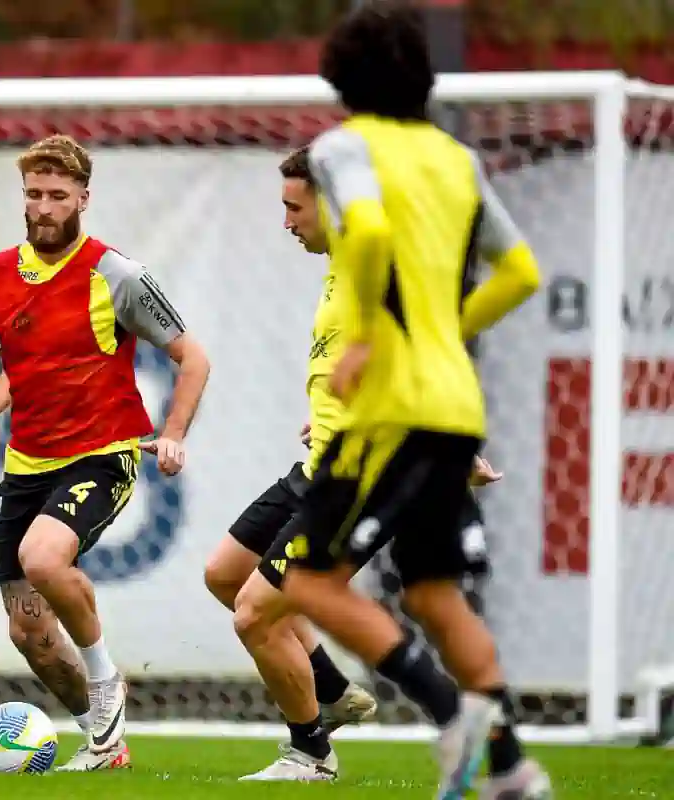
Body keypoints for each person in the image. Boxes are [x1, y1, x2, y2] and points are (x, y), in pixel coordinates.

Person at [269, 4, 551, 798]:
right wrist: (441, 332)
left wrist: (368, 340)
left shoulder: (343, 147)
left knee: (308, 583)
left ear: (343, 82)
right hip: (456, 406)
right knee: (433, 594)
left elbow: (365, 226)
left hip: (387, 407)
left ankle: (451, 715)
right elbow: (521, 272)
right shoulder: (458, 160)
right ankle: (511, 770)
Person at [0, 134, 212, 772]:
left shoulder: (115, 274)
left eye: (57, 196)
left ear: (83, 199)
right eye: (34, 194)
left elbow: (193, 357)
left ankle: (106, 683)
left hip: (103, 453)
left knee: (43, 557)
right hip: (26, 465)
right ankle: (105, 742)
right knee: (31, 636)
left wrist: (174, 431)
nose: (43, 207)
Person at [225, 147, 504, 782]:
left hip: (352, 480)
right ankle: (336, 692)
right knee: (225, 574)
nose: (287, 222)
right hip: (322, 461)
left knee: (254, 613)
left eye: (294, 208)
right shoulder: (343, 267)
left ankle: (313, 754)